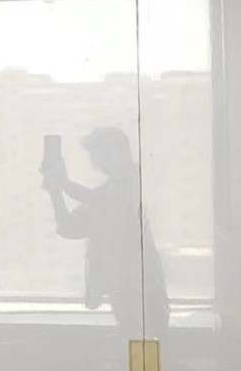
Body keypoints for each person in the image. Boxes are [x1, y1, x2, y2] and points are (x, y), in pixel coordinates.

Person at [43, 126, 168, 333]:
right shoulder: (104, 197)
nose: (95, 159)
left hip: (144, 290)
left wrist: (63, 183)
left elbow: (100, 199)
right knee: (131, 337)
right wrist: (55, 192)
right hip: (120, 291)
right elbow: (69, 227)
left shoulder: (130, 182)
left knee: (147, 339)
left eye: (98, 152)